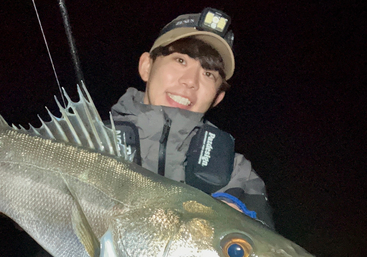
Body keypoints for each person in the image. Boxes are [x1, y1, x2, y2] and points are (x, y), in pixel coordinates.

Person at [110, 10, 274, 228]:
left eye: (208, 74)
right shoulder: (86, 139)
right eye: (180, 60)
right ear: (146, 66)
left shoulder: (237, 172)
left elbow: (263, 244)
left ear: (218, 97)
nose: (190, 81)